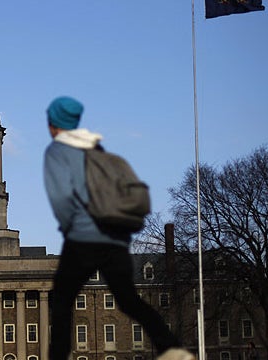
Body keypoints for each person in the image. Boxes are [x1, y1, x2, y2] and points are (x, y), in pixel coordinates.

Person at [44, 96, 195, 360]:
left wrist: (72, 227)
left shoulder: (58, 152)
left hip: (84, 237)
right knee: (127, 299)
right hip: (116, 238)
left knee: (61, 299)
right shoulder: (98, 149)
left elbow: (61, 199)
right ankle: (172, 348)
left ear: (55, 125)